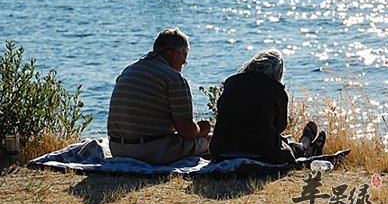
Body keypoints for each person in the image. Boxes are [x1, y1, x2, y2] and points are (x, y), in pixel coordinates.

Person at [107, 28, 211, 165]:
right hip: (151, 152)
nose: (184, 63)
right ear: (174, 53)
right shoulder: (173, 78)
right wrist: (201, 129)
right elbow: (186, 130)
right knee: (213, 140)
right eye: (184, 56)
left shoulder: (129, 70)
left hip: (117, 149)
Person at [209, 48, 326, 164]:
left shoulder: (231, 83)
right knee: (287, 149)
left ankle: (304, 145)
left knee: (276, 140)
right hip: (260, 154)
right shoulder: (277, 90)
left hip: (221, 152)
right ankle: (305, 145)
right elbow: (280, 126)